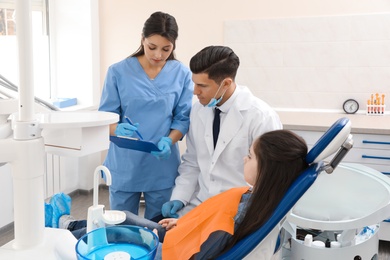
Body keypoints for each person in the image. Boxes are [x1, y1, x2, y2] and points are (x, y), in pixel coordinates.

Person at [50, 130, 308, 259]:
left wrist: (156, 241)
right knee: (124, 215)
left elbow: (206, 250)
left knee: (113, 227)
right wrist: (181, 223)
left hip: (173, 250)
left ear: (266, 170)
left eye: (250, 156)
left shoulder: (245, 212)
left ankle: (63, 228)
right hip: (179, 234)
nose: (244, 157)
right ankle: (69, 224)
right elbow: (212, 220)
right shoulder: (255, 197)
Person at [161, 45, 282, 218]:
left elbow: (270, 180)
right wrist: (179, 197)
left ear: (226, 83)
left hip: (239, 210)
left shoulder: (261, 117)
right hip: (201, 203)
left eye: (202, 86)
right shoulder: (198, 110)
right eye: (194, 83)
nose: (195, 92)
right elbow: (193, 161)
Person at [98, 11, 193, 220]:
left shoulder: (182, 74)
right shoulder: (118, 72)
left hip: (161, 164)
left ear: (174, 46)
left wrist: (170, 140)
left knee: (159, 226)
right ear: (142, 40)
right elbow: (105, 117)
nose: (158, 55)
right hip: (125, 163)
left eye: (166, 49)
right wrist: (116, 128)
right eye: (152, 47)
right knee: (121, 224)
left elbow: (182, 118)